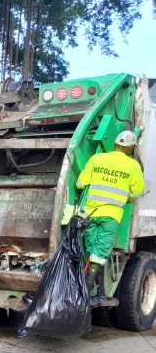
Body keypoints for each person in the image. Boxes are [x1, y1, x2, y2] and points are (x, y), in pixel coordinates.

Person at [76, 130, 145, 306]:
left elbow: (80, 183)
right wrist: (124, 196)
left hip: (90, 214)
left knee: (93, 253)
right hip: (111, 216)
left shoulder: (97, 159)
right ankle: (84, 295)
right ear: (129, 147)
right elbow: (137, 192)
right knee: (99, 255)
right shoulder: (133, 166)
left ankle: (100, 294)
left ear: (115, 143)